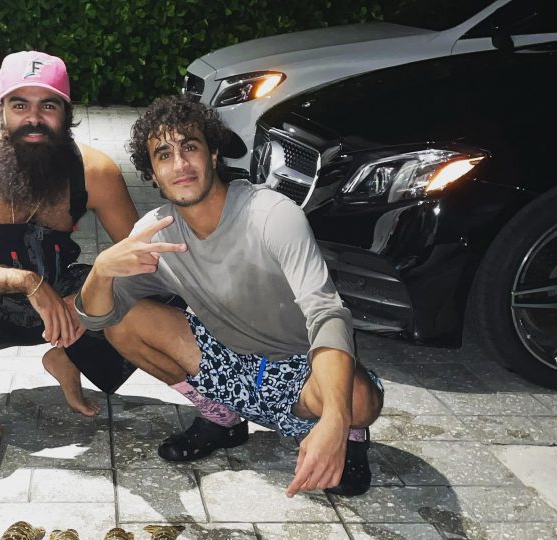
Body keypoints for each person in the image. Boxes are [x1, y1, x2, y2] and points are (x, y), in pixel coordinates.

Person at [75, 95, 384, 496]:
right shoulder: (156, 234)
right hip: (225, 359)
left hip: (299, 367)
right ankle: (222, 418)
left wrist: (336, 422)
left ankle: (348, 436)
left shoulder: (271, 214)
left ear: (213, 153)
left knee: (359, 402)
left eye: (190, 147)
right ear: (151, 173)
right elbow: (95, 318)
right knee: (124, 325)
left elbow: (327, 313)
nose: (180, 164)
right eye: (163, 154)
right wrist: (100, 270)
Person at [0, 51, 140, 437]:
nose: (34, 118)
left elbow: (143, 256)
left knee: (154, 291)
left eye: (48, 105)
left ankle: (70, 358)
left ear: (66, 113)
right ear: (0, 110)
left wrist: (91, 299)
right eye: (20, 105)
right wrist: (26, 282)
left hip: (61, 308)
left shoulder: (95, 171)